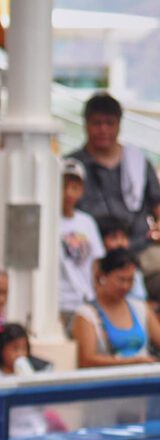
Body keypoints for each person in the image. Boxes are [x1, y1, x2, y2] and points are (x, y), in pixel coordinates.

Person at [67, 91, 160, 262]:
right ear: (86, 124)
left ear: (119, 124)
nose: (103, 129)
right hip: (86, 251)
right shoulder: (71, 167)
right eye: (97, 123)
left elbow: (157, 203)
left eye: (110, 123)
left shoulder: (138, 162)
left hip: (140, 248)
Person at [72, 248, 160, 368]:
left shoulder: (140, 308)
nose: (125, 286)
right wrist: (130, 362)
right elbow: (86, 360)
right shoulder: (86, 315)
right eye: (120, 280)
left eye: (130, 280)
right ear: (104, 277)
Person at [58, 157, 106, 333]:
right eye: (63, 186)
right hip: (59, 301)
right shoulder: (48, 221)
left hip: (84, 300)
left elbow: (95, 263)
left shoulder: (87, 222)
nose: (69, 193)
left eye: (75, 187)